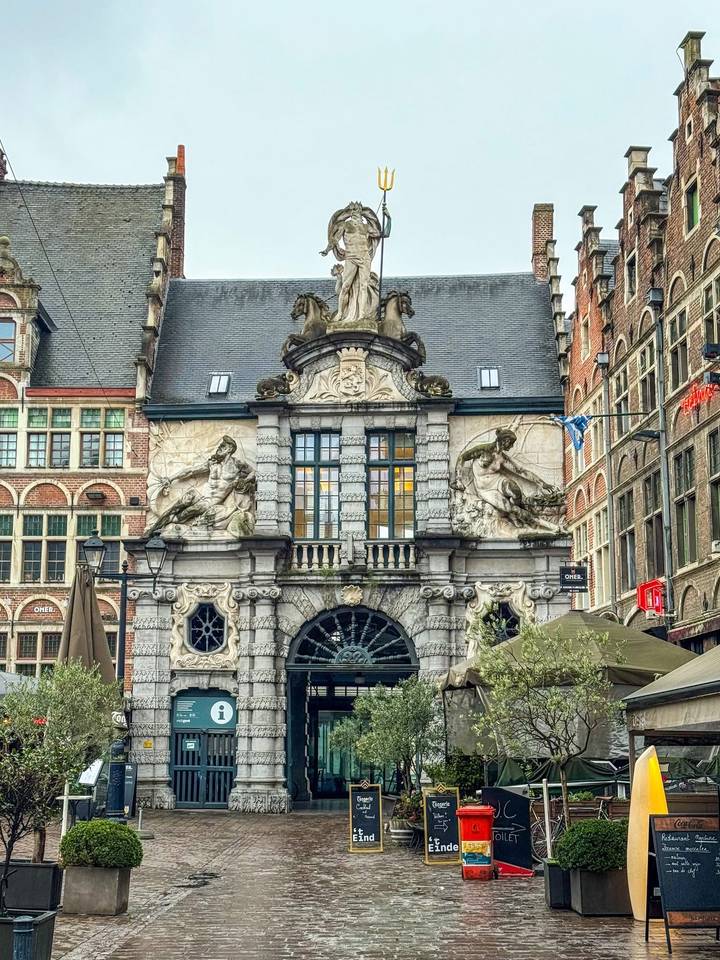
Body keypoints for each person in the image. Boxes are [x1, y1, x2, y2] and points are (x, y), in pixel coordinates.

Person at [147, 436, 255, 534]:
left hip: (211, 500)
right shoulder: (213, 463)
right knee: (175, 507)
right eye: (220, 446)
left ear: (230, 449)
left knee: (187, 512)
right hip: (200, 492)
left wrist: (245, 481)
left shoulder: (237, 464)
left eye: (223, 446)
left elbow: (254, 473)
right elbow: (191, 471)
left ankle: (168, 526)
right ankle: (152, 531)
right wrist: (170, 478)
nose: (219, 448)